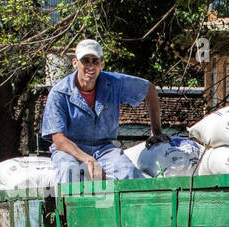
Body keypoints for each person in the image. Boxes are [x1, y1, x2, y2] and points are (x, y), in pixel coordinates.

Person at [41, 39, 168, 185]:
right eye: (85, 61)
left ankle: (134, 207)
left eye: (95, 61)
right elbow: (58, 140)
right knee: (69, 173)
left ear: (102, 63)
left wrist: (156, 131)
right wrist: (89, 160)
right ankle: (72, 208)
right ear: (75, 63)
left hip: (104, 148)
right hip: (69, 151)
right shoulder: (60, 92)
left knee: (128, 173)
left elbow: (149, 89)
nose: (90, 66)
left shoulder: (114, 83)